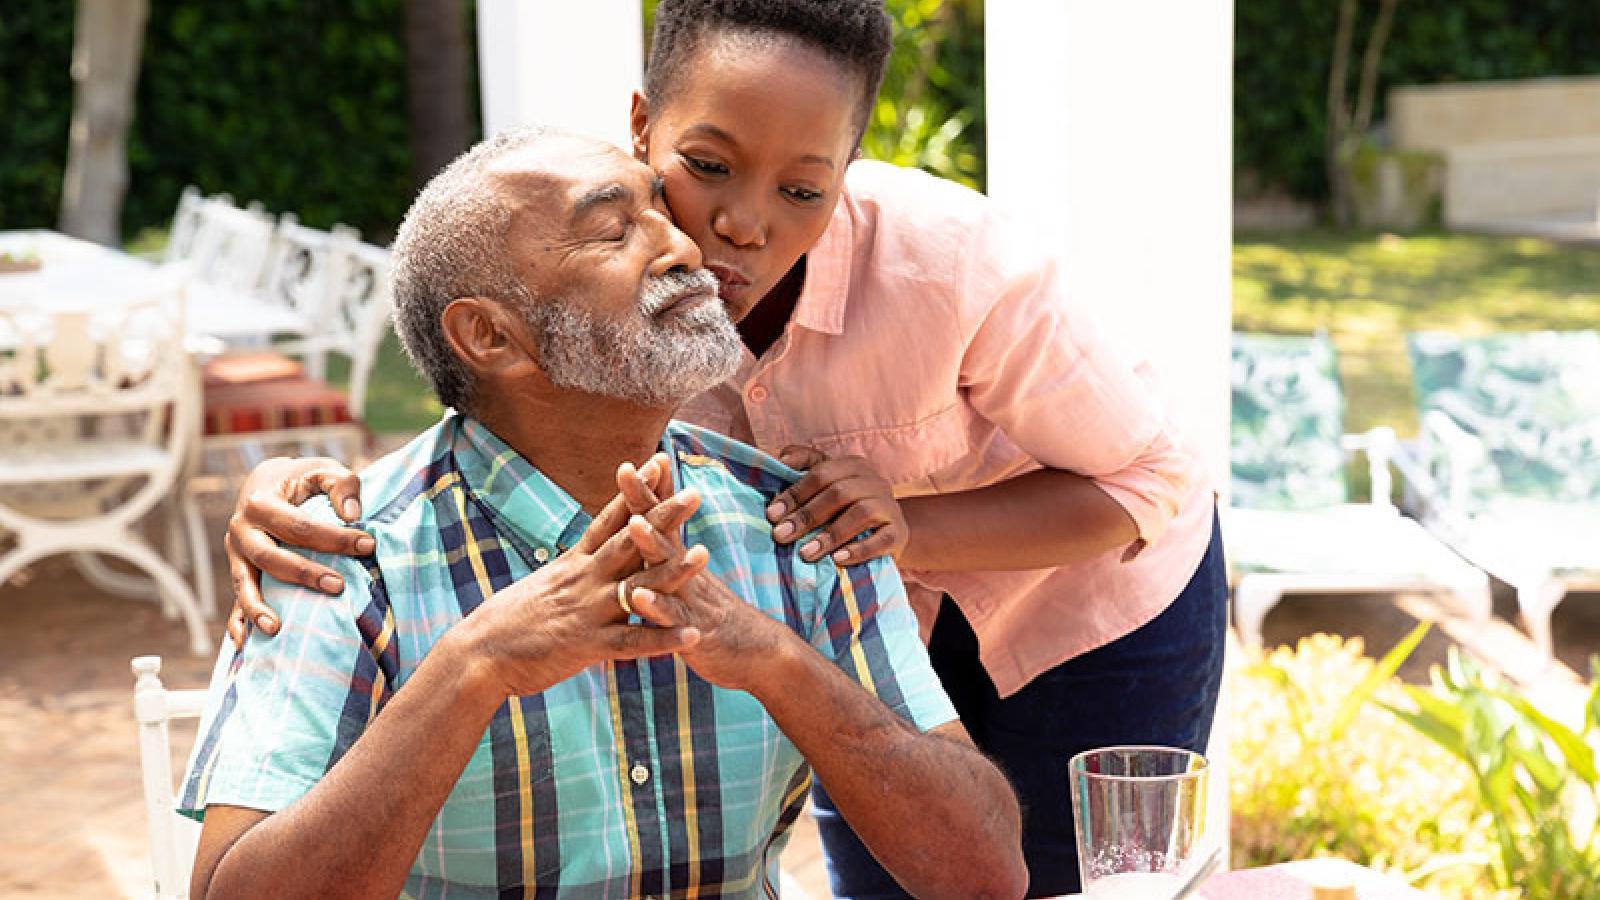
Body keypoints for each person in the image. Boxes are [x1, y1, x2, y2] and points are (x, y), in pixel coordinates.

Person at [219, 1, 1228, 896]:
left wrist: (849, 582)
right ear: (643, 129)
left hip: (1085, 591)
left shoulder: (945, 273)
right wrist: (369, 548)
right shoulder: (372, 547)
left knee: (1062, 871)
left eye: (802, 190)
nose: (720, 234)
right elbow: (501, 401)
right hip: (855, 572)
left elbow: (1149, 478)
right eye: (694, 177)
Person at [178, 125, 1027, 900]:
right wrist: (477, 664)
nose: (682, 246)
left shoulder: (801, 525)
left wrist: (772, 658)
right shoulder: (340, 556)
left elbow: (986, 872)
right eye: (614, 230)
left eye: (660, 209)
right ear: (491, 336)